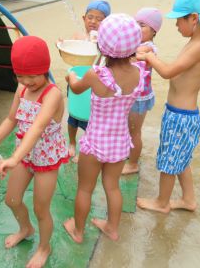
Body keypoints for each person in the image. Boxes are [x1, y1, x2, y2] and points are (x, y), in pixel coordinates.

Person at [0, 36, 68, 268]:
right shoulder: (22, 89)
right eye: (20, 76)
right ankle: (25, 228)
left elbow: (38, 128)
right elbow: (11, 119)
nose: (26, 81)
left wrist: (14, 158)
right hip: (25, 155)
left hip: (46, 159)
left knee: (41, 208)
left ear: (45, 69)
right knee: (12, 199)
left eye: (32, 76)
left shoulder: (52, 94)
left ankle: (44, 247)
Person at [136, 0, 200, 214]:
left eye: (179, 21)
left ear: (194, 18)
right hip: (179, 114)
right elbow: (175, 72)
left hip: (181, 117)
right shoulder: (196, 43)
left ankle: (162, 202)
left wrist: (149, 57)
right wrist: (151, 59)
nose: (176, 26)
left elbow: (167, 72)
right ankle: (188, 200)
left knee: (169, 161)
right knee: (181, 159)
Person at [63, 14, 146, 242]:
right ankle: (112, 228)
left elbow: (77, 88)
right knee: (112, 187)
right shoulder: (140, 72)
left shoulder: (96, 74)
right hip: (119, 142)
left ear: (101, 45)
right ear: (134, 47)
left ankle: (78, 231)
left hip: (95, 142)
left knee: (85, 189)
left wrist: (70, 75)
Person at [67, 0, 111, 162]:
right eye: (90, 17)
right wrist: (62, 45)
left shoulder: (106, 40)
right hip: (75, 79)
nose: (93, 21)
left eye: (99, 19)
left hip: (93, 83)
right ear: (84, 18)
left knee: (90, 120)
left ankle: (85, 148)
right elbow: (70, 53)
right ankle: (72, 143)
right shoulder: (77, 36)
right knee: (72, 118)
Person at [122, 8, 163, 175]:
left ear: (153, 31)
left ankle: (133, 164)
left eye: (142, 25)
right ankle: (128, 154)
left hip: (139, 98)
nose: (137, 28)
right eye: (135, 24)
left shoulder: (148, 48)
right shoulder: (137, 44)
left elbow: (135, 56)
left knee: (134, 131)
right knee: (127, 128)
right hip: (130, 95)